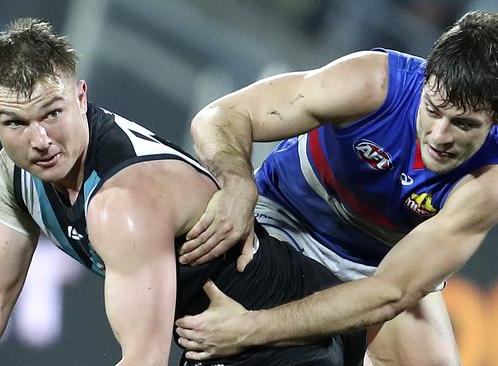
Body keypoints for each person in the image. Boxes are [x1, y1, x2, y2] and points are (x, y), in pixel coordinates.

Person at [0, 18, 366, 366]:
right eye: (16, 123)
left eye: (52, 113)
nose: (39, 140)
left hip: (288, 335)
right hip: (236, 342)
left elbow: (144, 360)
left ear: (81, 96)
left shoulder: (122, 202)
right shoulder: (13, 175)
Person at [175, 10, 498, 366]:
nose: (440, 136)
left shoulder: (490, 179)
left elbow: (391, 292)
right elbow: (221, 115)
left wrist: (248, 328)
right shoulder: (372, 83)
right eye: (433, 110)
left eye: (463, 124)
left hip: (381, 268)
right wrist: (237, 183)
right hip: (287, 222)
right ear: (425, 81)